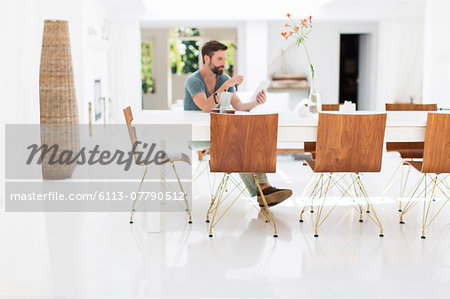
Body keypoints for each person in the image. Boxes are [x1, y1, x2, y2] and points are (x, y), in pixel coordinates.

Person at [184, 40, 292, 207]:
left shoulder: (224, 78)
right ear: (207, 59)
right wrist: (228, 85)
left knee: (246, 139)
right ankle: (262, 190)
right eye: (219, 59)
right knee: (239, 142)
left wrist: (256, 102)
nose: (223, 63)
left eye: (225, 59)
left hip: (219, 133)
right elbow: (206, 106)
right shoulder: (194, 81)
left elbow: (240, 106)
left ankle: (264, 189)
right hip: (196, 136)